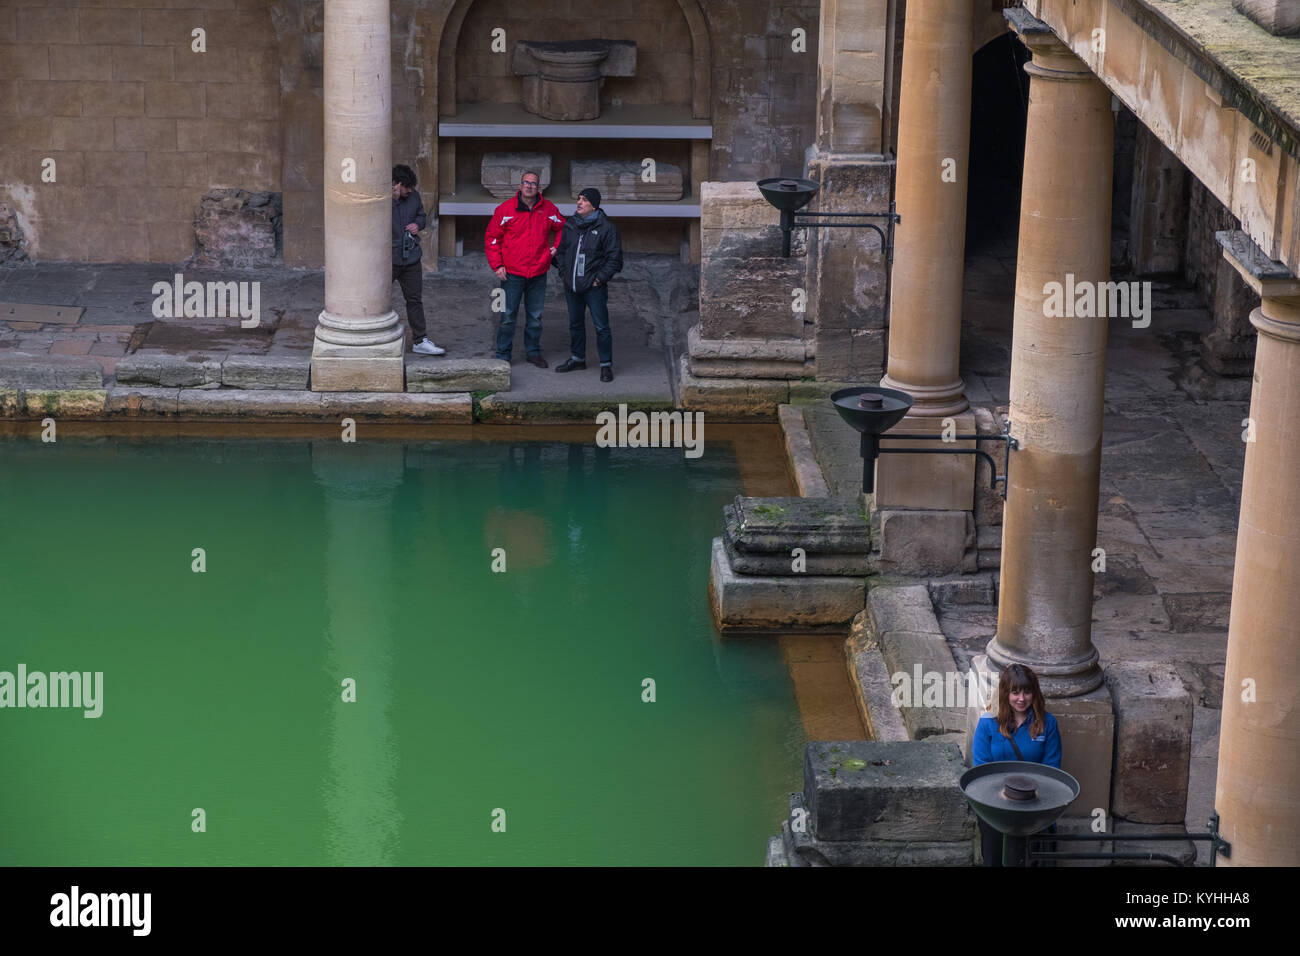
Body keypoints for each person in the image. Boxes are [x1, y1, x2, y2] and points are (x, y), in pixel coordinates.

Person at [971, 663, 1061, 867]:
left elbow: (1052, 769)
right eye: (1015, 692)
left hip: (1035, 802)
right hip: (996, 804)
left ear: (1034, 693)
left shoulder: (1048, 723)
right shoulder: (988, 723)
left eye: (1027, 692)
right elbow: (981, 768)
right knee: (995, 856)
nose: (1021, 698)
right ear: (1005, 693)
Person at [485, 170, 565, 368]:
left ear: (539, 188)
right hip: (512, 274)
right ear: (520, 186)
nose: (529, 186)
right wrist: (497, 265)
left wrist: (556, 248)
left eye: (534, 183)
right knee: (507, 317)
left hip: (538, 272)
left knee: (535, 317)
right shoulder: (505, 210)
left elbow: (563, 227)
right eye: (526, 182)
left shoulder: (548, 209)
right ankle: (503, 355)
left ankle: (533, 352)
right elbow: (492, 238)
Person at [552, 188, 623, 382]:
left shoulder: (607, 228)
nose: (579, 203)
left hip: (594, 287)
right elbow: (561, 252)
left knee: (601, 326)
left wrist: (598, 279)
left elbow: (615, 259)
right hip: (572, 285)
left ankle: (606, 365)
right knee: (575, 324)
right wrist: (564, 274)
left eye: (584, 200)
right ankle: (577, 359)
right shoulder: (571, 225)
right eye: (579, 199)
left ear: (594, 205)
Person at [391, 164, 445, 356]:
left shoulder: (413, 196)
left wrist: (417, 224)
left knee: (414, 300)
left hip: (411, 257)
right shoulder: (384, 200)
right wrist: (394, 200)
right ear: (396, 184)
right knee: (375, 298)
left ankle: (420, 340)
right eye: (406, 186)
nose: (411, 190)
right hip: (388, 260)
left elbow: (422, 216)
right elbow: (377, 220)